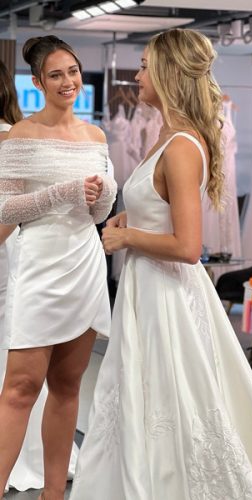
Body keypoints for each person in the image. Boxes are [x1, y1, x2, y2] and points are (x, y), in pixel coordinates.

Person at [68, 29, 252, 499]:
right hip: (147, 286)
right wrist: (131, 216)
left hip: (166, 294)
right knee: (139, 393)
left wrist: (126, 237)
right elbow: (159, 206)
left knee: (169, 394)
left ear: (168, 73)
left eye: (145, 66)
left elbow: (188, 246)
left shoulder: (181, 146)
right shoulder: (165, 135)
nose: (137, 76)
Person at [0, 36, 114, 500]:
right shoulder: (21, 135)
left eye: (73, 71)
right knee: (19, 389)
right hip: (39, 265)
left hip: (84, 262)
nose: (68, 81)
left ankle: (53, 495)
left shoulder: (96, 136)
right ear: (37, 83)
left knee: (67, 387)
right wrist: (61, 193)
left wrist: (102, 196)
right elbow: (6, 209)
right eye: (56, 75)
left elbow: (99, 212)